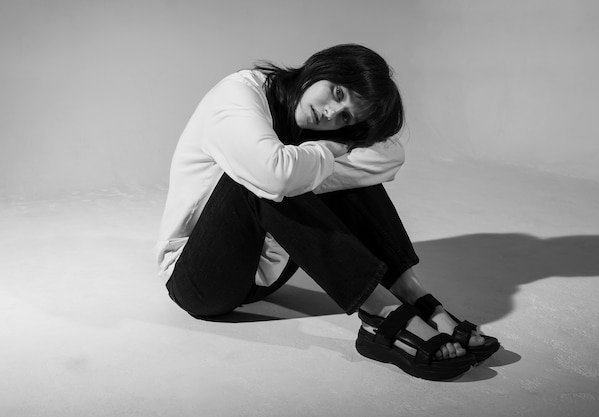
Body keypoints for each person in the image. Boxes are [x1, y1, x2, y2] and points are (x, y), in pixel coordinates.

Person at [156, 44, 499, 380]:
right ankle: (381, 311)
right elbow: (274, 174)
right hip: (199, 280)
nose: (332, 114)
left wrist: (322, 152)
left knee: (315, 173)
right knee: (266, 179)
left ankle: (411, 293)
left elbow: (391, 155)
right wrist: (329, 150)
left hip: (265, 278)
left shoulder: (320, 129)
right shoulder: (237, 95)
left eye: (347, 116)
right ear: (320, 68)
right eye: (337, 93)